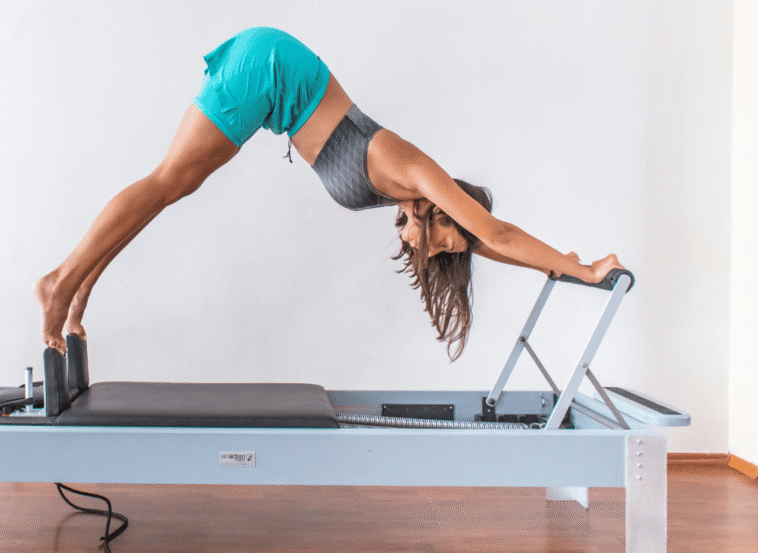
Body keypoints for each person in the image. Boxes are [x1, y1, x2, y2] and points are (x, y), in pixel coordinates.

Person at [35, 27, 623, 360]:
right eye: (448, 239)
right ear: (445, 209)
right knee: (169, 182)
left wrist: (560, 265)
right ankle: (60, 283)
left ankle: (80, 288)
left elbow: (486, 244)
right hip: (267, 71)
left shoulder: (404, 194)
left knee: (171, 188)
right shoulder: (410, 168)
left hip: (271, 78)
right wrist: (592, 269)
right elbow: (494, 232)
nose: (439, 250)